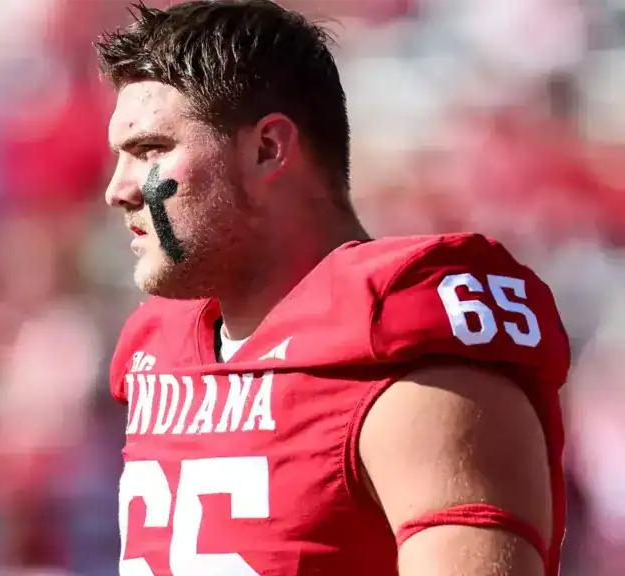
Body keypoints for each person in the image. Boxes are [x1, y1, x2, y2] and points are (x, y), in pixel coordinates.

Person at [97, 2, 570, 575]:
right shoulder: (159, 351)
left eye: (151, 150)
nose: (118, 190)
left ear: (268, 148)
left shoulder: (401, 344)